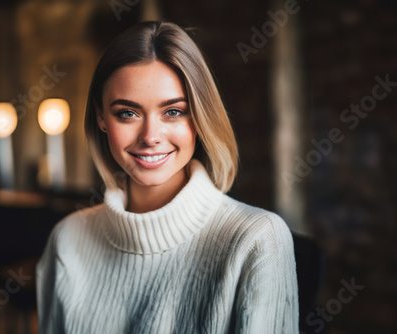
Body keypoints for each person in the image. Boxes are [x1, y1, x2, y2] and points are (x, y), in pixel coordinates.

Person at [36, 20, 299, 333]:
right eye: (127, 113)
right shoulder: (67, 240)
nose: (150, 136)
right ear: (101, 118)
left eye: (173, 111)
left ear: (200, 116)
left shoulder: (257, 240)